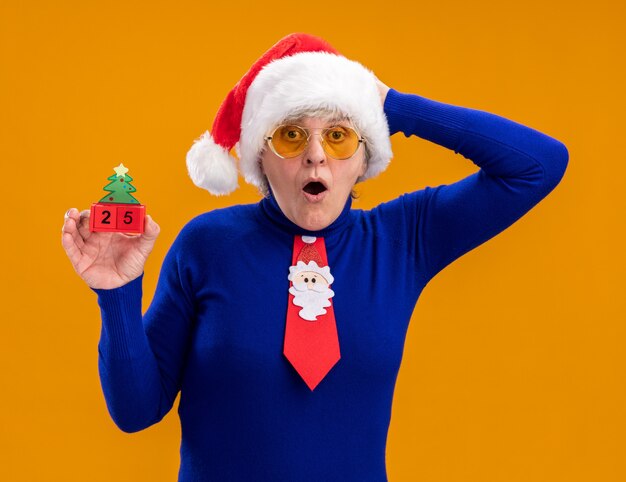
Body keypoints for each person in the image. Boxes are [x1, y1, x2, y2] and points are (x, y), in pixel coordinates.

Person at [61, 33, 568, 481]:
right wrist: (117, 294)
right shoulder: (207, 244)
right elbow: (134, 410)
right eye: (291, 134)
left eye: (339, 134)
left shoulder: (402, 237)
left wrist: (391, 104)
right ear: (260, 155)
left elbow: (539, 164)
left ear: (365, 157)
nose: (317, 155)